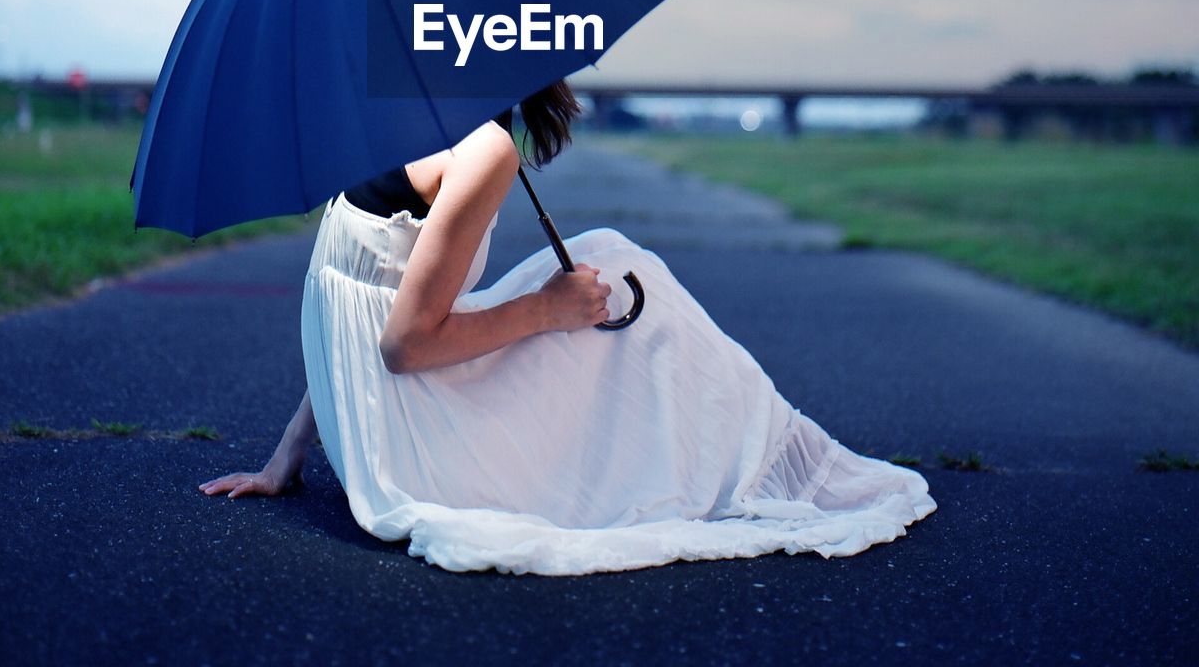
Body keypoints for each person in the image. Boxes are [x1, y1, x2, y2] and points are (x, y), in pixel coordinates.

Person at [200, 81, 936, 575]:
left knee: (607, 256)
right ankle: (771, 460)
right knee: (624, 283)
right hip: (417, 440)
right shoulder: (482, 149)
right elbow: (399, 343)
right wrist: (548, 310)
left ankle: (761, 454)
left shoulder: (386, 125)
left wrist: (286, 461)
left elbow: (351, 314)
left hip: (373, 424)